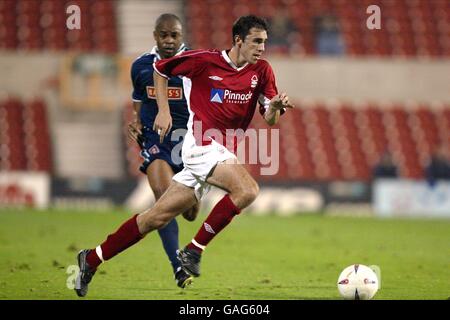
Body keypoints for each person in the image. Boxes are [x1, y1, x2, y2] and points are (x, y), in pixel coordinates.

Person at [74, 15, 294, 297]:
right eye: (257, 41)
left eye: (264, 41)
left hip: (222, 151)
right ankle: (192, 251)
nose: (262, 47)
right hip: (200, 145)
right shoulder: (204, 60)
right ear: (238, 40)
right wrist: (163, 111)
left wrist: (274, 105)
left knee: (155, 218)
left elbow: (270, 119)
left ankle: (90, 259)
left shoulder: (262, 71)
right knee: (248, 190)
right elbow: (160, 70)